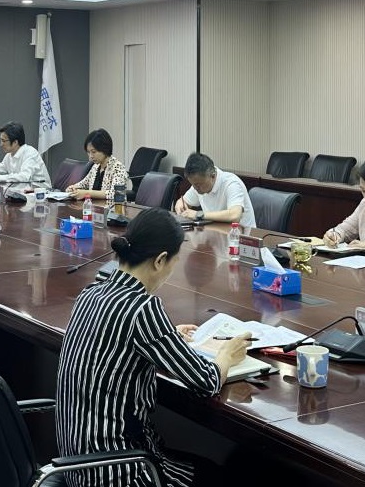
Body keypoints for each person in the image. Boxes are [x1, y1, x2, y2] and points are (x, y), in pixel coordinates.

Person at [56, 207, 252, 487]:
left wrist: (167, 336)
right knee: (222, 475)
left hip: (78, 466)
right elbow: (207, 381)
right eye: (174, 262)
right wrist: (226, 355)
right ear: (160, 260)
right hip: (122, 473)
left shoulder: (91, 293)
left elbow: (116, 341)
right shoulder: (143, 308)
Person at [174, 153, 256, 228]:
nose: (195, 188)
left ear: (212, 176)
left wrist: (198, 214)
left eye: (198, 185)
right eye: (193, 184)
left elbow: (235, 216)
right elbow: (183, 202)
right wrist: (180, 206)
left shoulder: (231, 183)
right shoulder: (198, 184)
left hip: (241, 235)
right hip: (216, 232)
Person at [0, 121, 51, 188]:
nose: (1, 144)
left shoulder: (30, 153)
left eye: (4, 141)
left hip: (42, 196)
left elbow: (24, 177)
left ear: (15, 142)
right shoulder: (9, 155)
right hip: (23, 192)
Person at [66, 128, 129, 200]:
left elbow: (118, 194)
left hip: (112, 207)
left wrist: (87, 193)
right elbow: (84, 184)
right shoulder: (95, 166)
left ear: (104, 149)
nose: (90, 156)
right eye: (88, 152)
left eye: (94, 152)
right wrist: (73, 188)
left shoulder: (118, 167)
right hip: (95, 206)